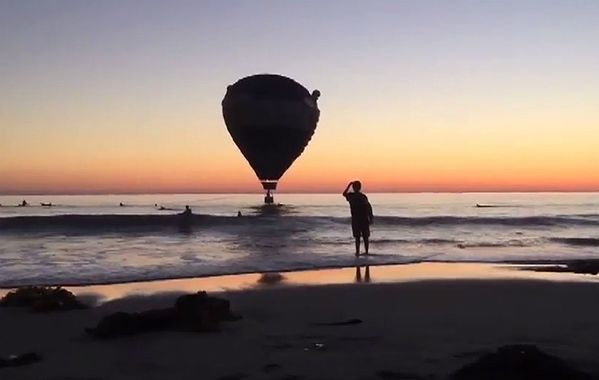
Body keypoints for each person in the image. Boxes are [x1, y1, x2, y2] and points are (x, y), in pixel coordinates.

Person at [342, 181, 373, 256]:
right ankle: (365, 252)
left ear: (354, 187)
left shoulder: (351, 196)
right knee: (364, 237)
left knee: (358, 237)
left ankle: (358, 252)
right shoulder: (362, 196)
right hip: (363, 219)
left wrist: (349, 185)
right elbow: (369, 207)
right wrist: (371, 217)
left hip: (357, 219)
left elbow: (344, 193)